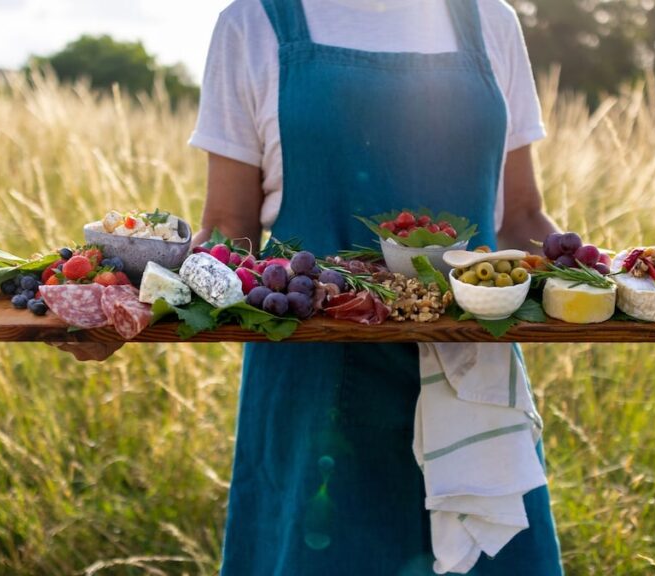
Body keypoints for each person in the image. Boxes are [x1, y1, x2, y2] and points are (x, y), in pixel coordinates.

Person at [65, 0, 564, 573]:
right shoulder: (253, 23)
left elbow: (522, 217)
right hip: (313, 388)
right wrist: (119, 302)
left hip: (477, 383)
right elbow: (231, 231)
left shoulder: (489, 21)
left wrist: (609, 280)